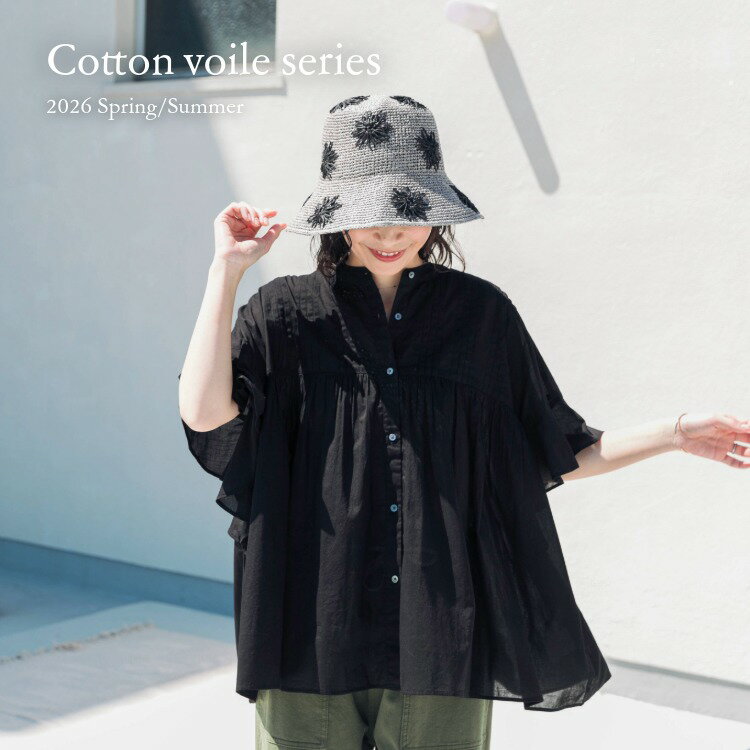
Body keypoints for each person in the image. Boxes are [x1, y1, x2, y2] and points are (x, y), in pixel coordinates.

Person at [177, 94, 749, 750]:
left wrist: (675, 433)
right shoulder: (284, 314)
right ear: (338, 214)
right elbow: (206, 415)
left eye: (408, 212)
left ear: (434, 209)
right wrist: (226, 272)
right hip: (307, 624)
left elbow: (560, 451)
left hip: (440, 636)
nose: (390, 234)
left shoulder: (481, 318)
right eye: (370, 214)